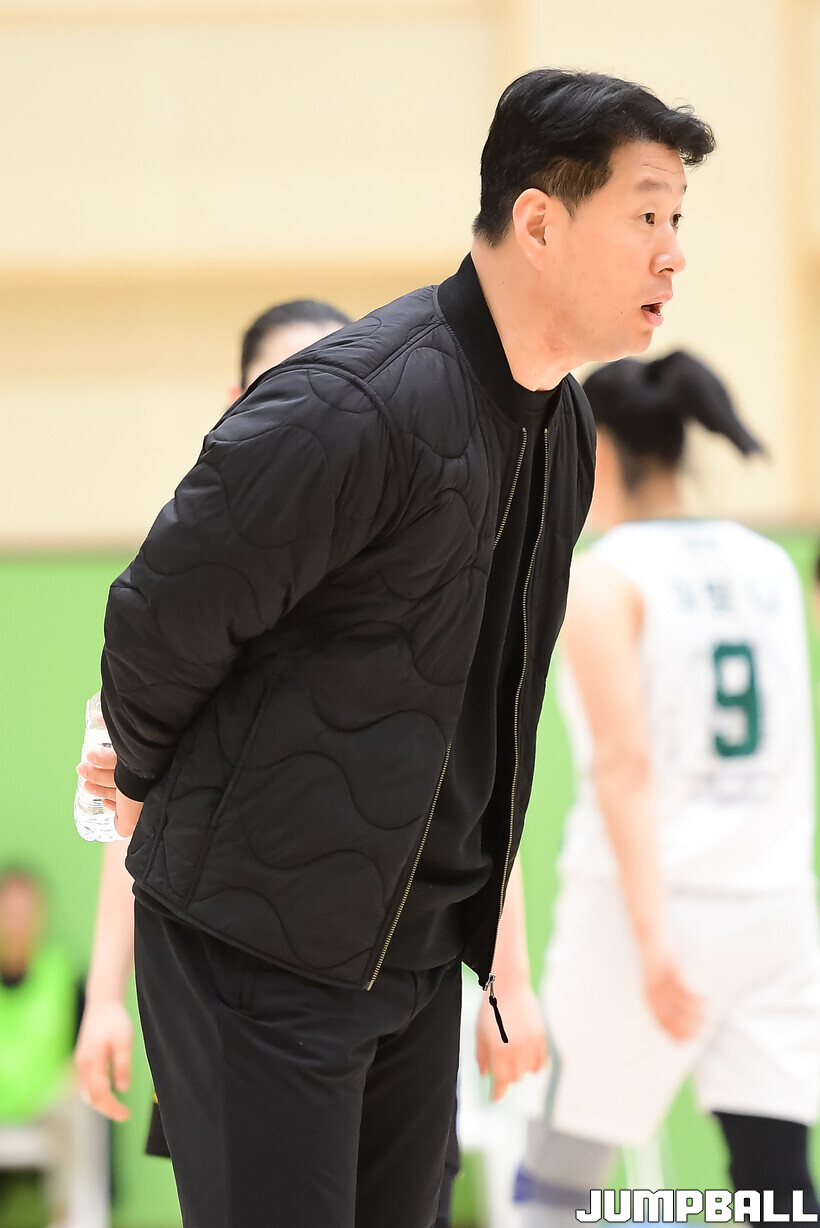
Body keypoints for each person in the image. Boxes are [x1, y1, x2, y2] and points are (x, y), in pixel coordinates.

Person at [82, 69, 713, 1227]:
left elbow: (482, 718)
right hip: (254, 949)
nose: (672, 254)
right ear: (538, 222)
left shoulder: (562, 426)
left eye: (676, 219)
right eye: (644, 215)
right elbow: (156, 618)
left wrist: (499, 970)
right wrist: (164, 787)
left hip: (410, 962)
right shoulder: (358, 402)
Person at [511, 352, 820, 1226]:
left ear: (600, 450)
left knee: (559, 1183)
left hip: (643, 915)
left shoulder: (606, 576)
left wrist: (652, 939)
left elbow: (626, 764)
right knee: (776, 1182)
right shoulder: (770, 565)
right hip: (772, 910)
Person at [75, 297, 352, 1145]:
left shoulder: (401, 566)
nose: (312, 413)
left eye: (338, 389)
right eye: (285, 386)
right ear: (237, 400)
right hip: (222, 976)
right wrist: (105, 996)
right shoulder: (188, 569)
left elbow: (472, 779)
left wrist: (506, 979)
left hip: (378, 978)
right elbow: (128, 801)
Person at [0, 868, 108, 1228]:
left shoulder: (62, 973)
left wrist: (71, 1079)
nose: (17, 923)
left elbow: (84, 1050)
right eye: (9, 912)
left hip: (47, 1102)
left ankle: (70, 1217)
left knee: (81, 1102)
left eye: (24, 912)